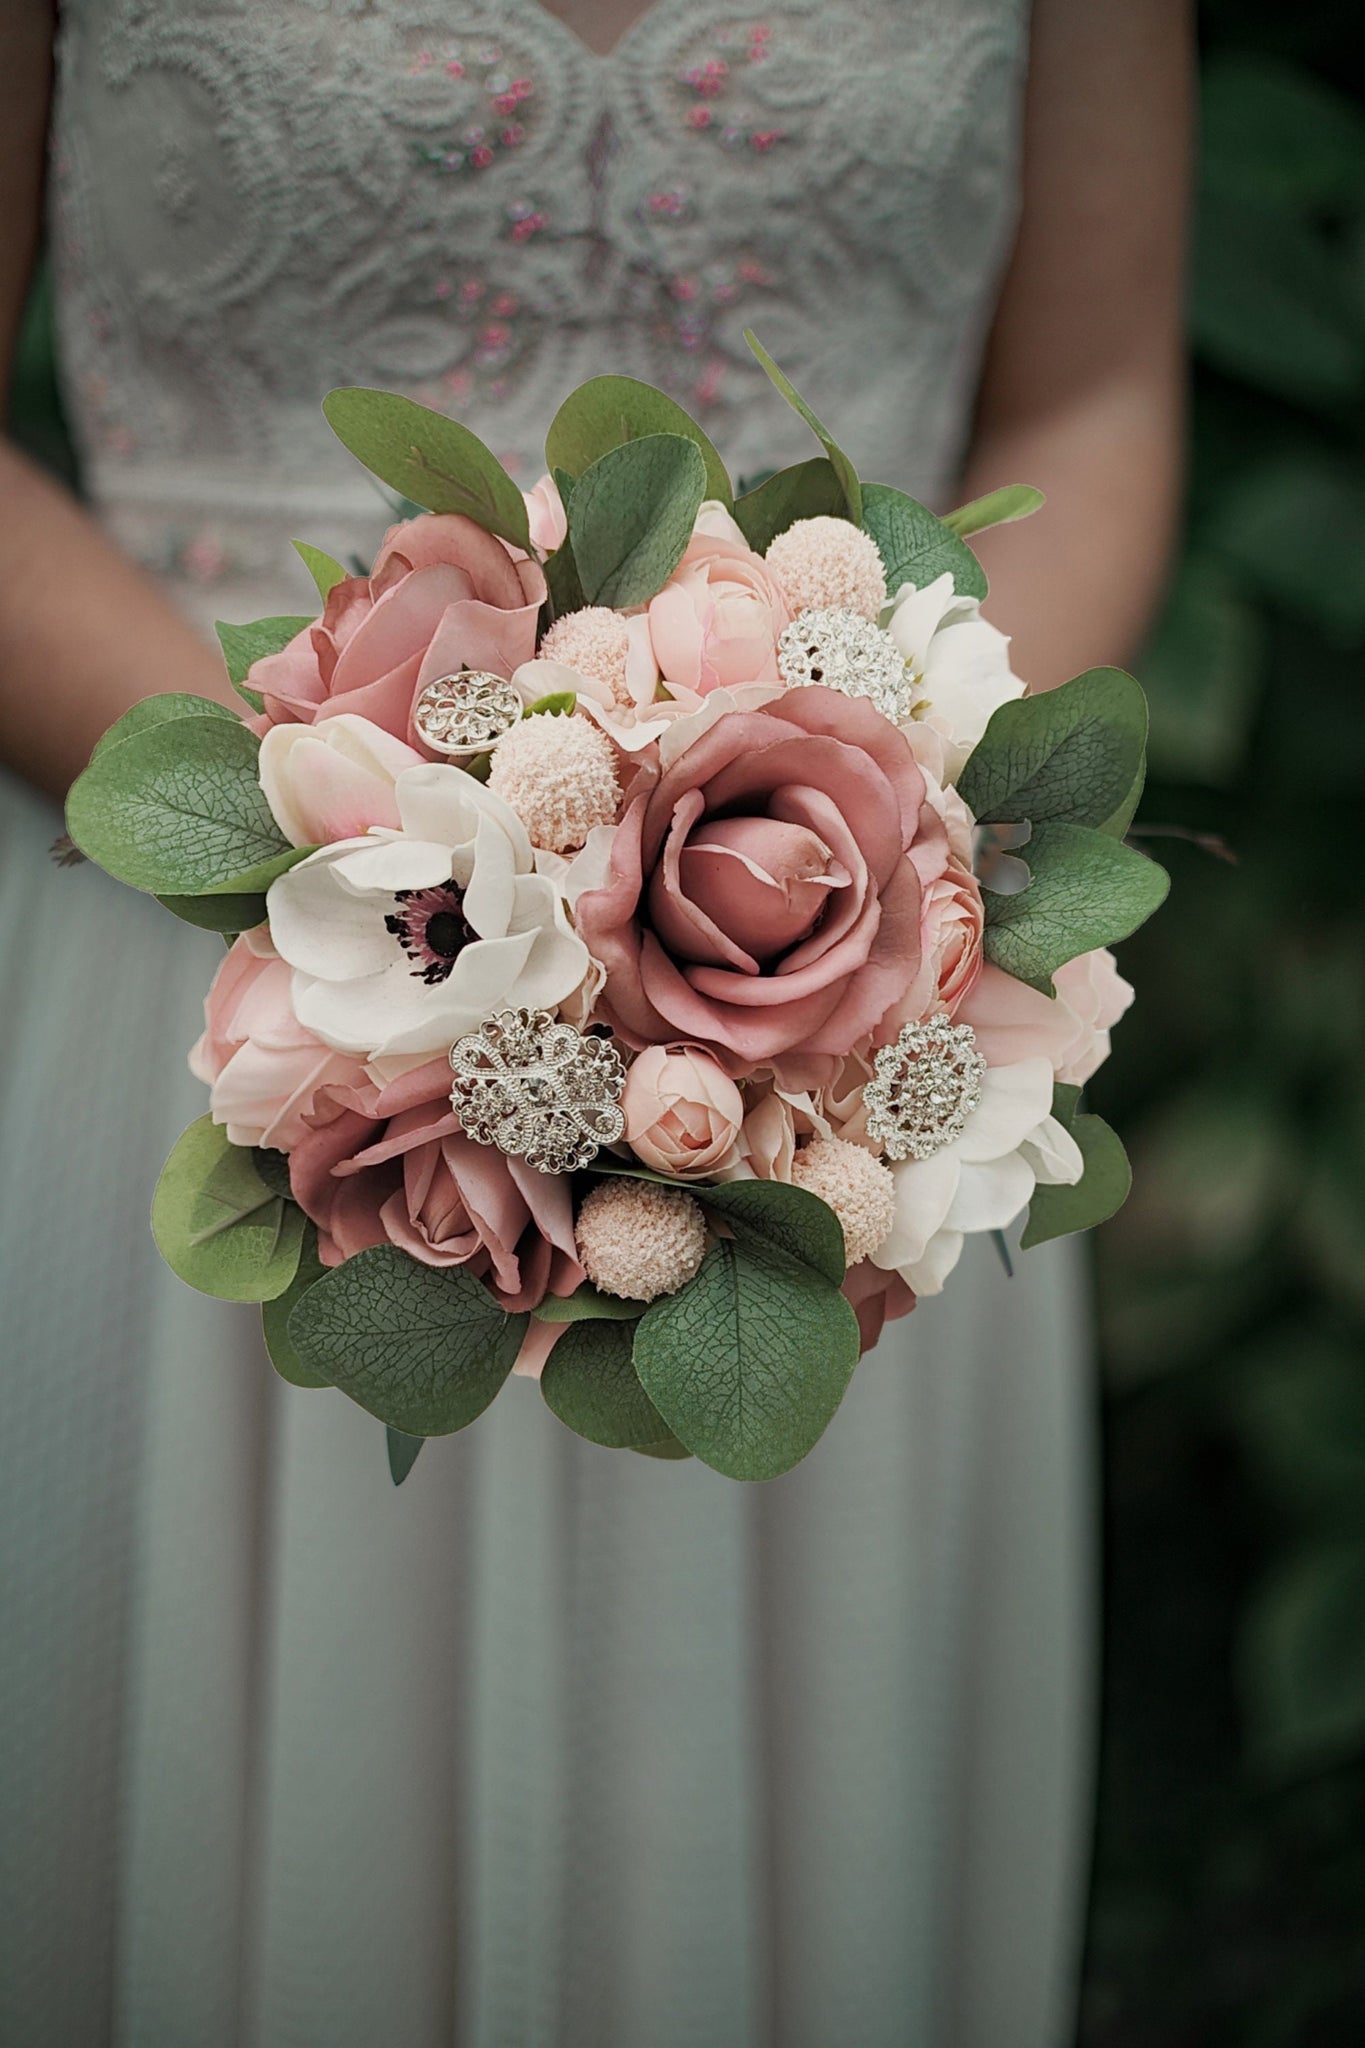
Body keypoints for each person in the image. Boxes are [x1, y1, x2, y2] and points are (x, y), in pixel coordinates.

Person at [0, 1, 1189, 2042]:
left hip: (847, 1061)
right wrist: (417, 859)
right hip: (250, 987)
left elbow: (1083, 390)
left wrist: (864, 849)